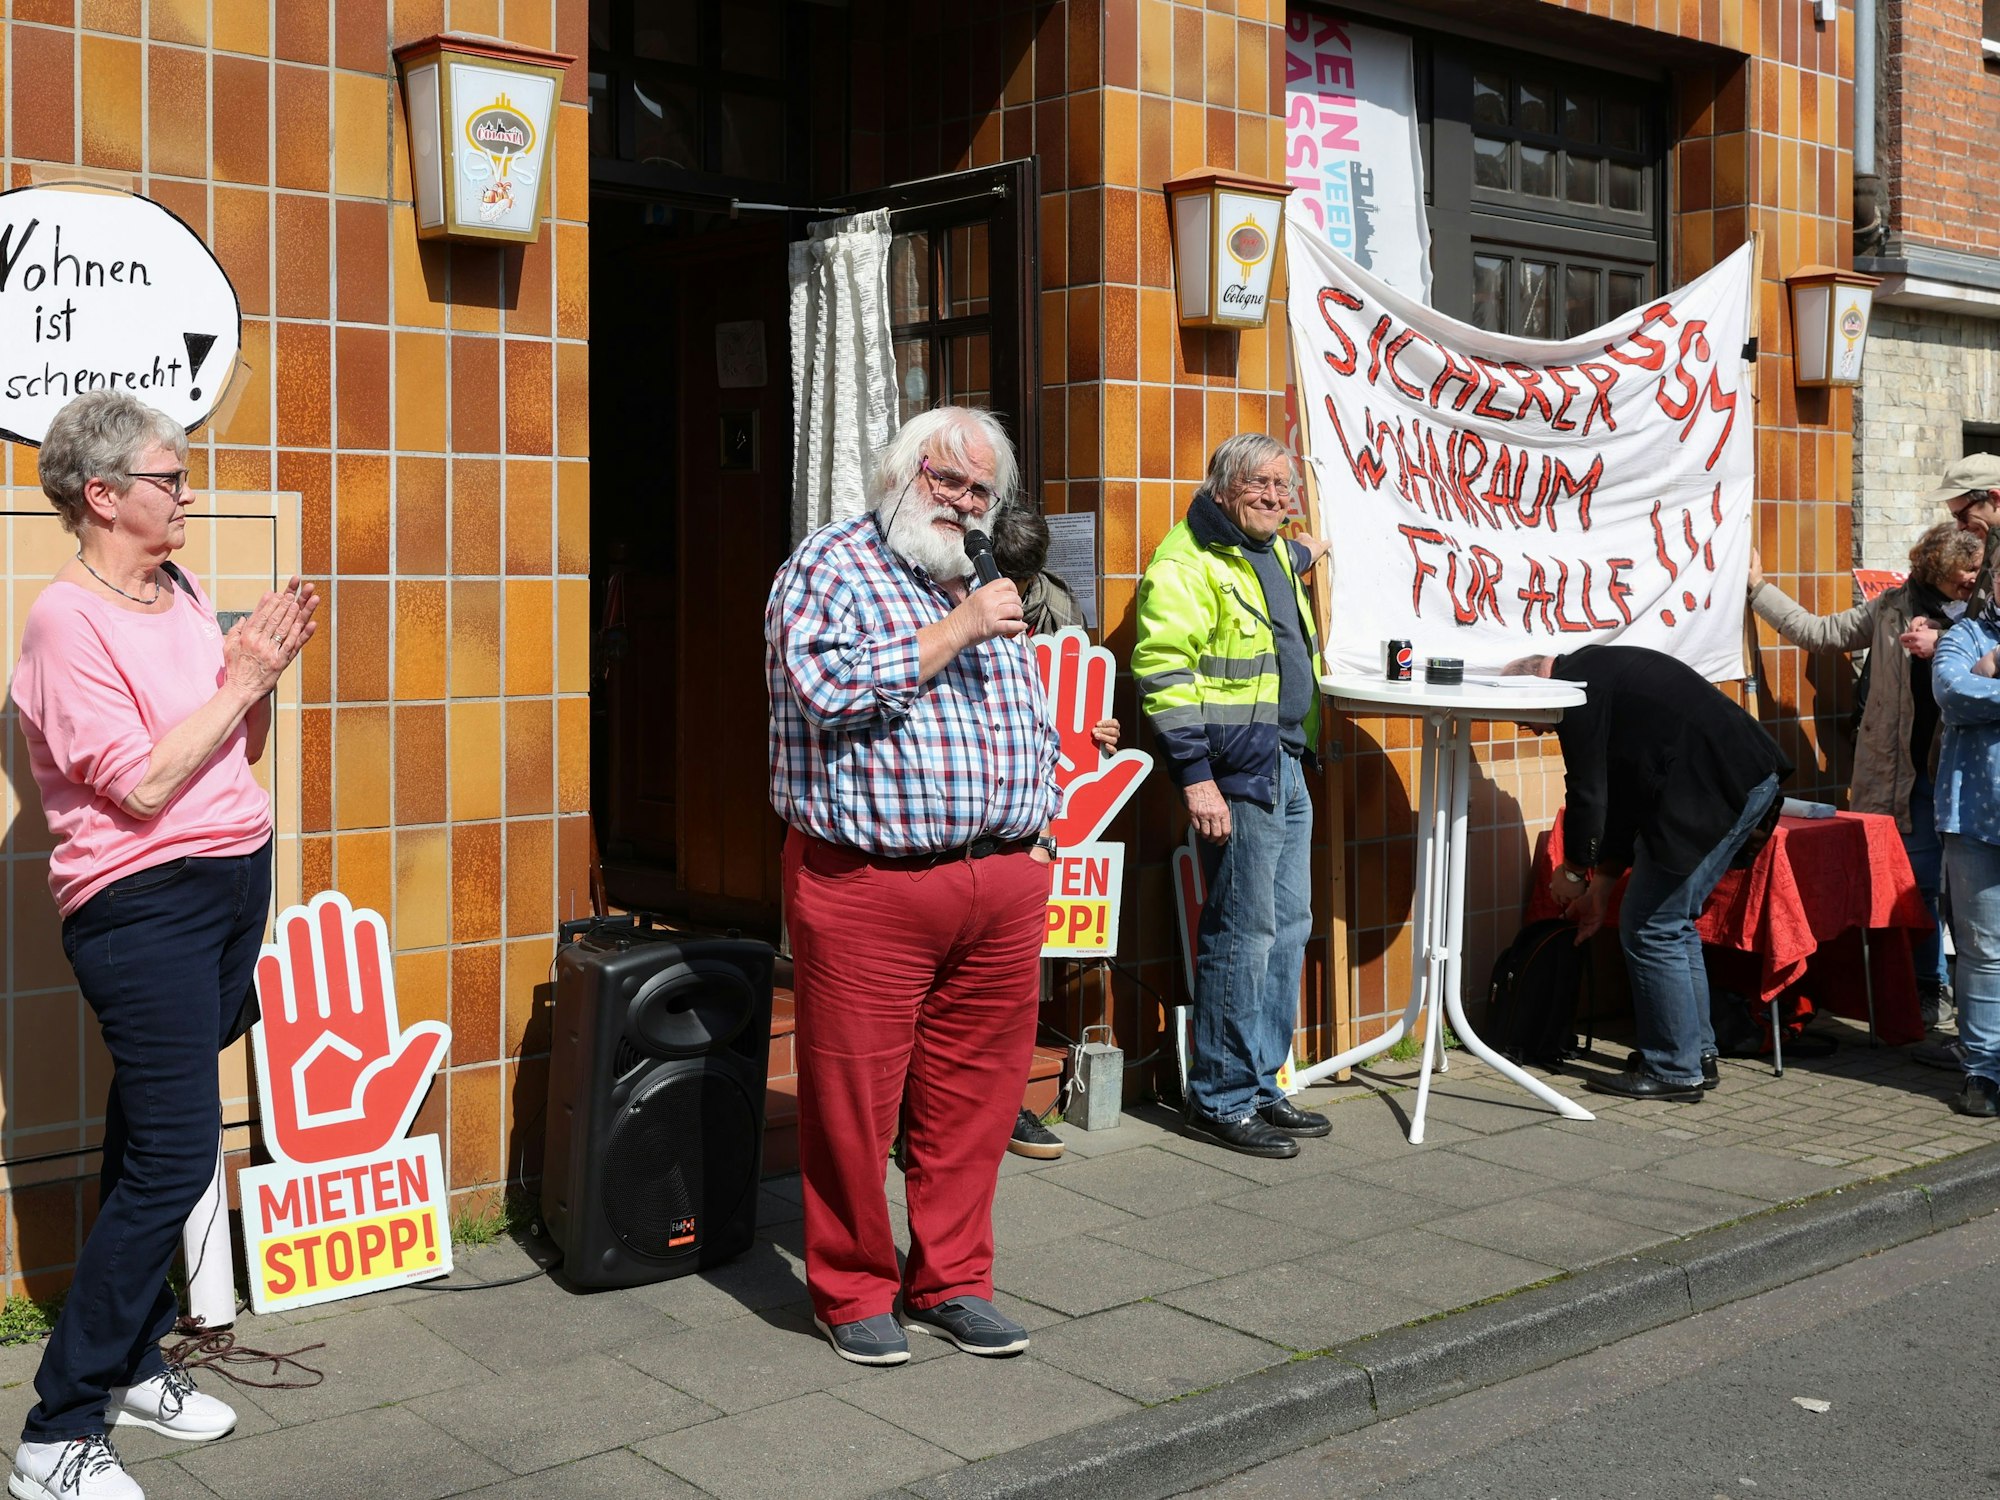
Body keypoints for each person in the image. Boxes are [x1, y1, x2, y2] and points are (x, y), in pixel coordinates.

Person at [9, 392, 318, 1500]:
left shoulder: (179, 590)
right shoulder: (63, 622)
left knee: (146, 1131)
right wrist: (242, 677)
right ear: (102, 495)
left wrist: (259, 674)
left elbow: (226, 743)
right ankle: (56, 1429)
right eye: (167, 477)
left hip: (234, 881)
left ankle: (136, 1363)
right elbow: (139, 783)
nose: (185, 494)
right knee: (181, 1157)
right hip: (142, 907)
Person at [766, 406, 1061, 1366]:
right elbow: (830, 692)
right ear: (899, 474)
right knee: (854, 1104)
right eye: (948, 481)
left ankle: (955, 1282)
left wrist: (1040, 821)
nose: (966, 506)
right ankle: (852, 1289)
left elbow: (1025, 714)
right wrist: (960, 628)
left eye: (982, 492)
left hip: (1002, 880)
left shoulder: (981, 577)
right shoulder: (830, 566)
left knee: (975, 1101)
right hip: (871, 884)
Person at [1133, 434, 1330, 1159]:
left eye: (1286, 487)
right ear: (1223, 491)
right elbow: (1162, 672)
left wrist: (1313, 546)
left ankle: (1260, 1082)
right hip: (1234, 773)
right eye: (1262, 487)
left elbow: (1294, 559)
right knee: (1242, 931)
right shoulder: (1185, 561)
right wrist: (1196, 779)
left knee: (1289, 925)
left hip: (1285, 760)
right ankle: (1218, 1097)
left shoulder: (1272, 545)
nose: (1278, 499)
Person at [1506, 646, 1792, 1102]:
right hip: (1743, 776)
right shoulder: (1595, 675)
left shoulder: (1576, 689)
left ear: (1534, 688)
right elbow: (1620, 797)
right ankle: (1695, 1056)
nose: (1526, 727)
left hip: (1716, 785)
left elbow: (1589, 793)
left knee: (1651, 926)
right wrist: (1600, 888)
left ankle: (1674, 1069)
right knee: (1672, 923)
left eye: (1521, 714)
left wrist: (1576, 872)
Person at [1747, 524, 1982, 1038]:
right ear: (1934, 571)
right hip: (1906, 776)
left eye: (1975, 568)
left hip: (1968, 774)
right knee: (1916, 888)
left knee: (1970, 893)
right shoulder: (1892, 606)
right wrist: (1757, 588)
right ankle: (1927, 985)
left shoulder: (1986, 611)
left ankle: (1977, 1011)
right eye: (1961, 570)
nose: (1971, 577)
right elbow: (1821, 633)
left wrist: (1941, 643)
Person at [989, 504, 1115, 1162]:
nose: (1014, 584)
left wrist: (1100, 729)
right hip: (975, 801)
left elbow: (1086, 695)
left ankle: (1009, 1105)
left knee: (1021, 966)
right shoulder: (958, 598)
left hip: (1043, 798)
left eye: (1024, 574)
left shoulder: (1058, 606)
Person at [1932, 616, 2000, 1117]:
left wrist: (1995, 671)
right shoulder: (1964, 636)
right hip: (1977, 816)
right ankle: (1983, 1070)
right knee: (1983, 951)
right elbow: (1953, 693)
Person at [1902, 453, 2000, 662]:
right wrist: (1943, 627)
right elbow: (1987, 624)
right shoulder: (1992, 548)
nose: (1960, 527)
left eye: (1962, 516)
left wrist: (1941, 640)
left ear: (1995, 498)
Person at [990, 504, 1086, 636]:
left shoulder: (1064, 615)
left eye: (1014, 580)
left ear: (1033, 575)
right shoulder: (962, 603)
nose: (1005, 586)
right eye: (998, 576)